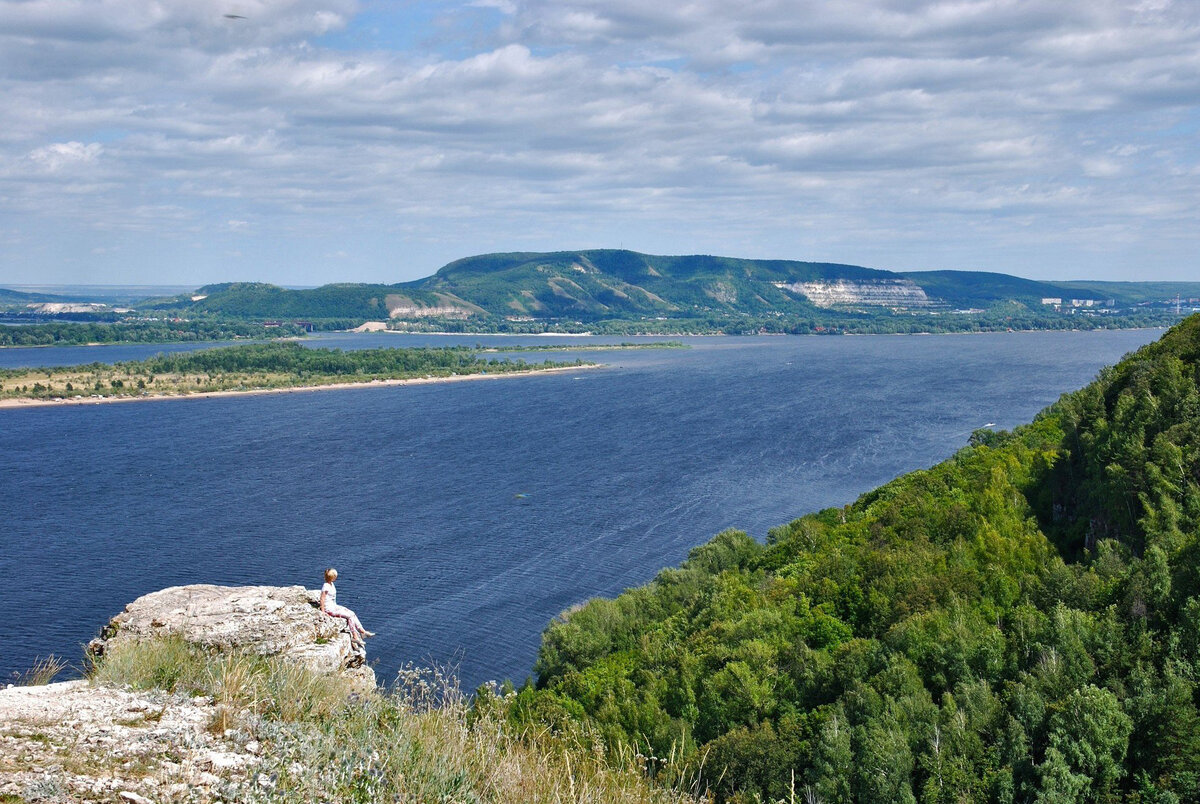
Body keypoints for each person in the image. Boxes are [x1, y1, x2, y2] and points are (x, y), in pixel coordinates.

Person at [320, 567, 375, 642]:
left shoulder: (331, 584)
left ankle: (363, 632)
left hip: (334, 606)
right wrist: (323, 612)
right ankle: (355, 636)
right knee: (349, 617)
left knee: (352, 613)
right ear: (332, 577)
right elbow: (322, 598)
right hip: (329, 609)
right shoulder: (326, 586)